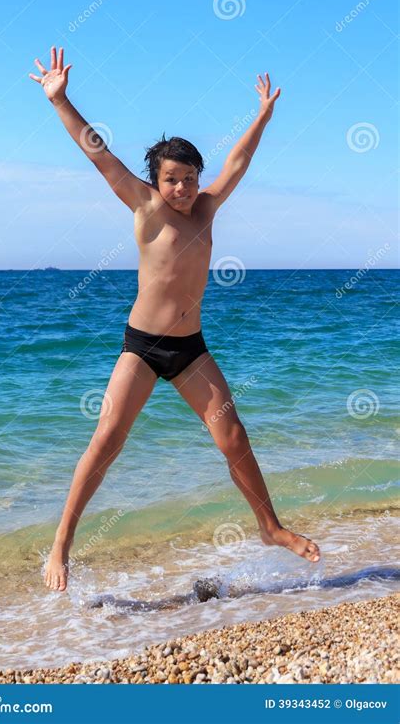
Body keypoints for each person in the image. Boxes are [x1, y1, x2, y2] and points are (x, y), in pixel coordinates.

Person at [29, 46, 320, 592]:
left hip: (190, 349)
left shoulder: (207, 209)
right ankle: (61, 545)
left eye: (189, 178)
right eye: (172, 179)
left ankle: (270, 527)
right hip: (141, 348)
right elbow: (98, 153)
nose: (183, 188)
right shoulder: (145, 208)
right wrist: (61, 99)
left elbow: (237, 163)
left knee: (234, 437)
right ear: (155, 181)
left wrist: (261, 117)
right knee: (107, 439)